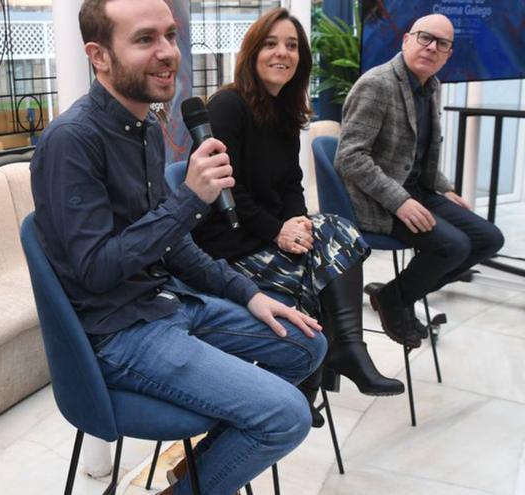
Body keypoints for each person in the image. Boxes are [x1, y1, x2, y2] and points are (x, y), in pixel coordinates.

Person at [30, 0, 327, 493]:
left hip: (167, 303)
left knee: (306, 345)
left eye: (170, 35)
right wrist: (190, 199)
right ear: (99, 56)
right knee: (288, 416)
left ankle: (196, 471)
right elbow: (96, 270)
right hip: (120, 332)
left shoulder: (145, 127)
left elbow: (173, 246)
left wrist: (249, 294)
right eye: (145, 40)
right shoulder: (72, 141)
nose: (169, 52)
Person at [191, 9, 403, 429]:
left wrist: (298, 224)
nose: (282, 53)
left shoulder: (285, 109)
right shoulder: (227, 105)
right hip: (227, 242)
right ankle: (317, 371)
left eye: (291, 45)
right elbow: (226, 192)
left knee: (328, 236)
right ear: (252, 52)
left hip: (266, 237)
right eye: (271, 44)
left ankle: (330, 360)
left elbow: (291, 182)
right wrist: (278, 230)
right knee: (323, 260)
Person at [336, 14, 504, 346]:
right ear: (406, 40)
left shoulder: (430, 85)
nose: (431, 47)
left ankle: (396, 293)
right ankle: (396, 301)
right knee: (453, 246)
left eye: (442, 43)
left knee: (489, 240)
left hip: (419, 190)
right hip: (380, 200)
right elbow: (350, 157)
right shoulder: (377, 84)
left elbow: (416, 153)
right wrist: (399, 201)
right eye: (425, 37)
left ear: (448, 54)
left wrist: (444, 187)